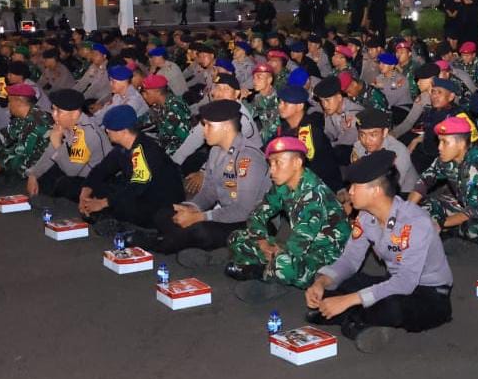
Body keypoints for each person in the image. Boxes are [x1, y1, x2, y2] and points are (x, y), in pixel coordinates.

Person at [306, 150, 454, 353]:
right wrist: (322, 282)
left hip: (429, 293)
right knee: (341, 282)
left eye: (355, 186)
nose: (349, 192)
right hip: (394, 282)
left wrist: (348, 300)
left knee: (392, 306)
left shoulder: (415, 222)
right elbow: (350, 260)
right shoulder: (365, 216)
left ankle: (353, 320)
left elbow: (405, 283)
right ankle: (357, 320)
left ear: (375, 191)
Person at [225, 136, 351, 303]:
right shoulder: (282, 184)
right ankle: (269, 272)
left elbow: (297, 248)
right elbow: (257, 214)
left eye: (278, 163)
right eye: (270, 163)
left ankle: (258, 272)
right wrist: (262, 241)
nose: (272, 170)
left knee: (284, 265)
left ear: (297, 163)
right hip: (297, 247)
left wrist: (277, 253)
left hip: (326, 257)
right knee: (236, 237)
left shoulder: (313, 194)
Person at [143, 101, 270, 267]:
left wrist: (199, 217)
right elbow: (209, 191)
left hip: (253, 222)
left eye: (209, 125)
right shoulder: (215, 151)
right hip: (223, 213)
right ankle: (197, 246)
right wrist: (192, 207)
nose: (204, 130)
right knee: (164, 214)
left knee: (201, 231)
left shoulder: (248, 157)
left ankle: (160, 243)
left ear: (226, 127)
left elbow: (244, 210)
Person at [409, 115, 478, 249]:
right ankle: (444, 228)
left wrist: (440, 223)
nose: (439, 147)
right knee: (425, 206)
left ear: (461, 144)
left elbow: (474, 211)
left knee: (471, 229)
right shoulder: (445, 158)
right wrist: (406, 209)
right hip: (465, 204)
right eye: (439, 141)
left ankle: (449, 231)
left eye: (445, 142)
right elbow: (424, 181)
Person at [79, 105, 185, 230]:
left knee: (120, 203)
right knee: (97, 189)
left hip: (160, 201)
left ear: (123, 131)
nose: (106, 131)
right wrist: (85, 193)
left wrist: (102, 203)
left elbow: (136, 188)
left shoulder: (145, 150)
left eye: (109, 129)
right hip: (140, 192)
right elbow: (102, 169)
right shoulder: (122, 148)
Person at [24, 89, 111, 202]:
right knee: (43, 174)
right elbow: (50, 152)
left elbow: (71, 171)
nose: (54, 115)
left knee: (64, 184)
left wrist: (57, 143)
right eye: (53, 109)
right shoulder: (66, 124)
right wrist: (33, 175)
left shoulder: (86, 133)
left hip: (95, 181)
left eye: (59, 111)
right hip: (75, 170)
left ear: (75, 114)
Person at [0, 83, 52, 183]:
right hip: (24, 164)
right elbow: (0, 138)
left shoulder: (38, 121)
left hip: (39, 171)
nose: (8, 105)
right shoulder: (21, 119)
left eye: (10, 101)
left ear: (19, 102)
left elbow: (22, 152)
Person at [274, 84, 343, 191]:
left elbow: (305, 169)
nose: (280, 106)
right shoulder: (285, 127)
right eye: (280, 102)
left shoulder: (309, 132)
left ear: (299, 106)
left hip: (319, 188)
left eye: (285, 103)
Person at [349, 109, 417, 195]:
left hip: (403, 193)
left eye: (373, 135)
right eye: (362, 134)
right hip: (371, 187)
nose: (367, 140)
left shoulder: (399, 153)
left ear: (385, 132)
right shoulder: (360, 146)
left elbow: (390, 189)